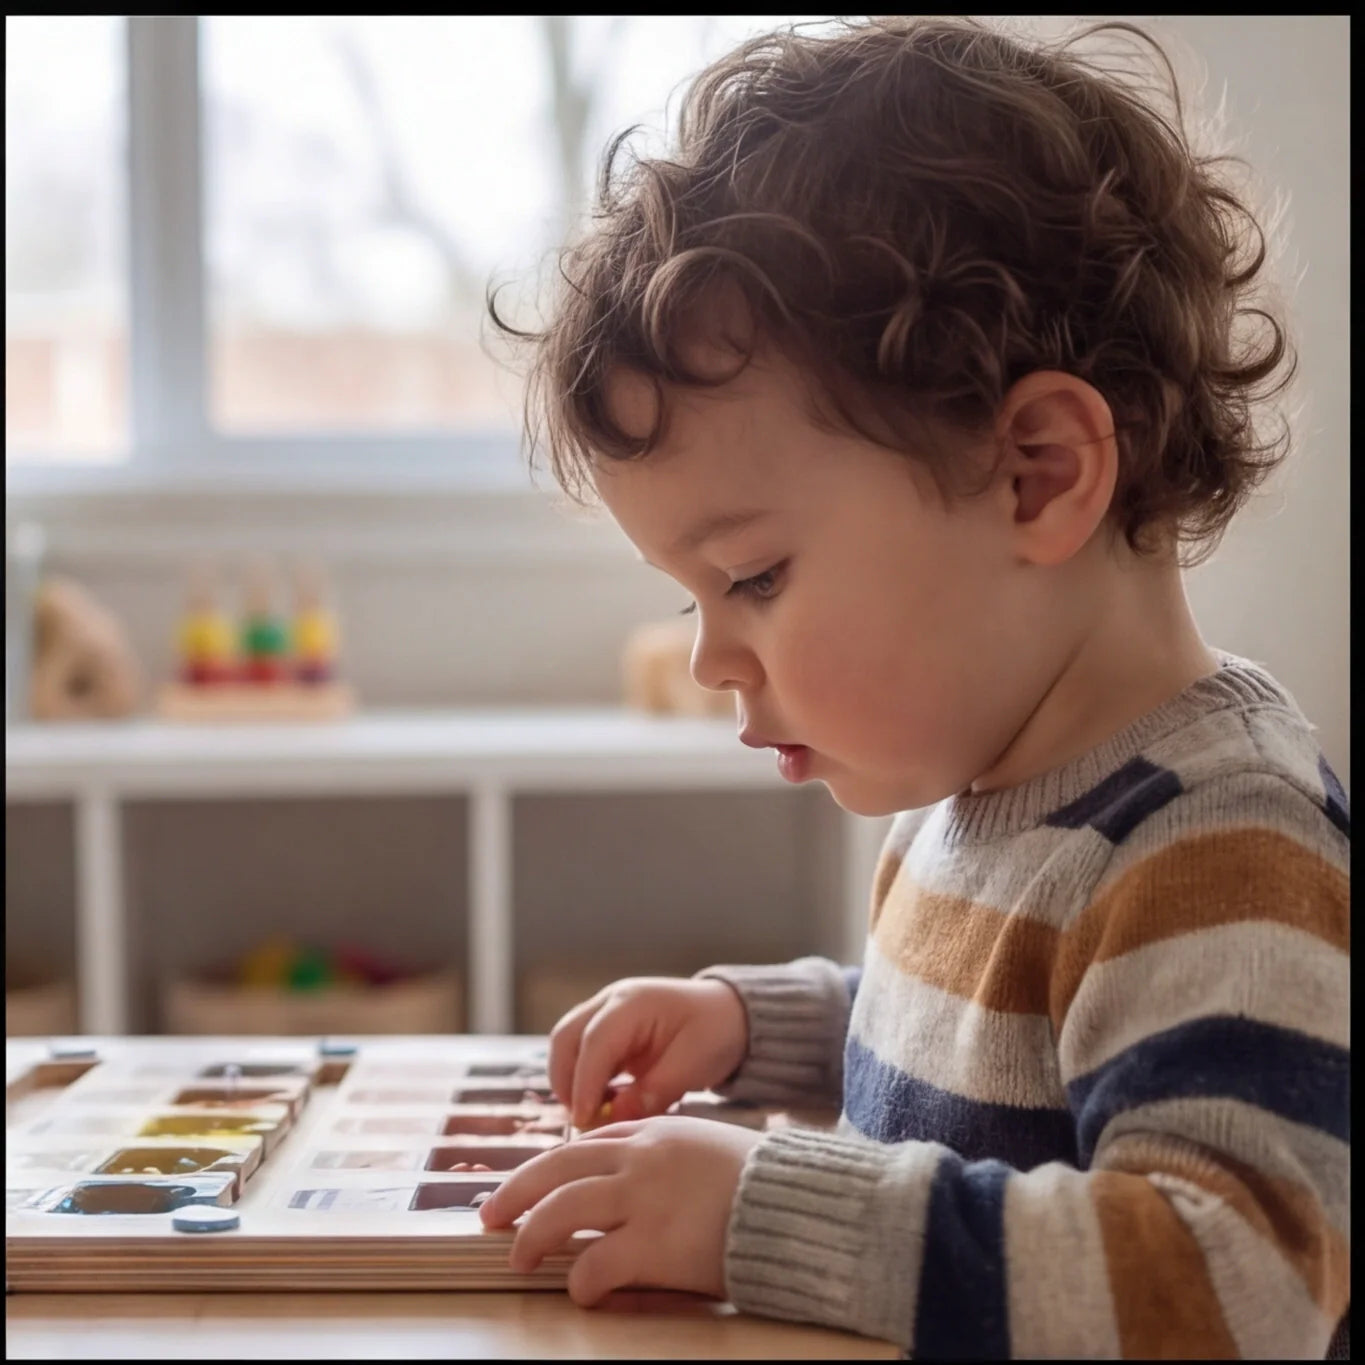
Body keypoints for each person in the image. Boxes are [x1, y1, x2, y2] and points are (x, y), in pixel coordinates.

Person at [478, 16, 1349, 1358]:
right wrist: (754, 1026)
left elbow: (1236, 1284)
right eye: (692, 594)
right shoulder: (989, 795)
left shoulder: (1219, 848)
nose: (712, 654)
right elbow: (976, 1052)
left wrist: (770, 1208)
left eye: (754, 575)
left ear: (1037, 475)